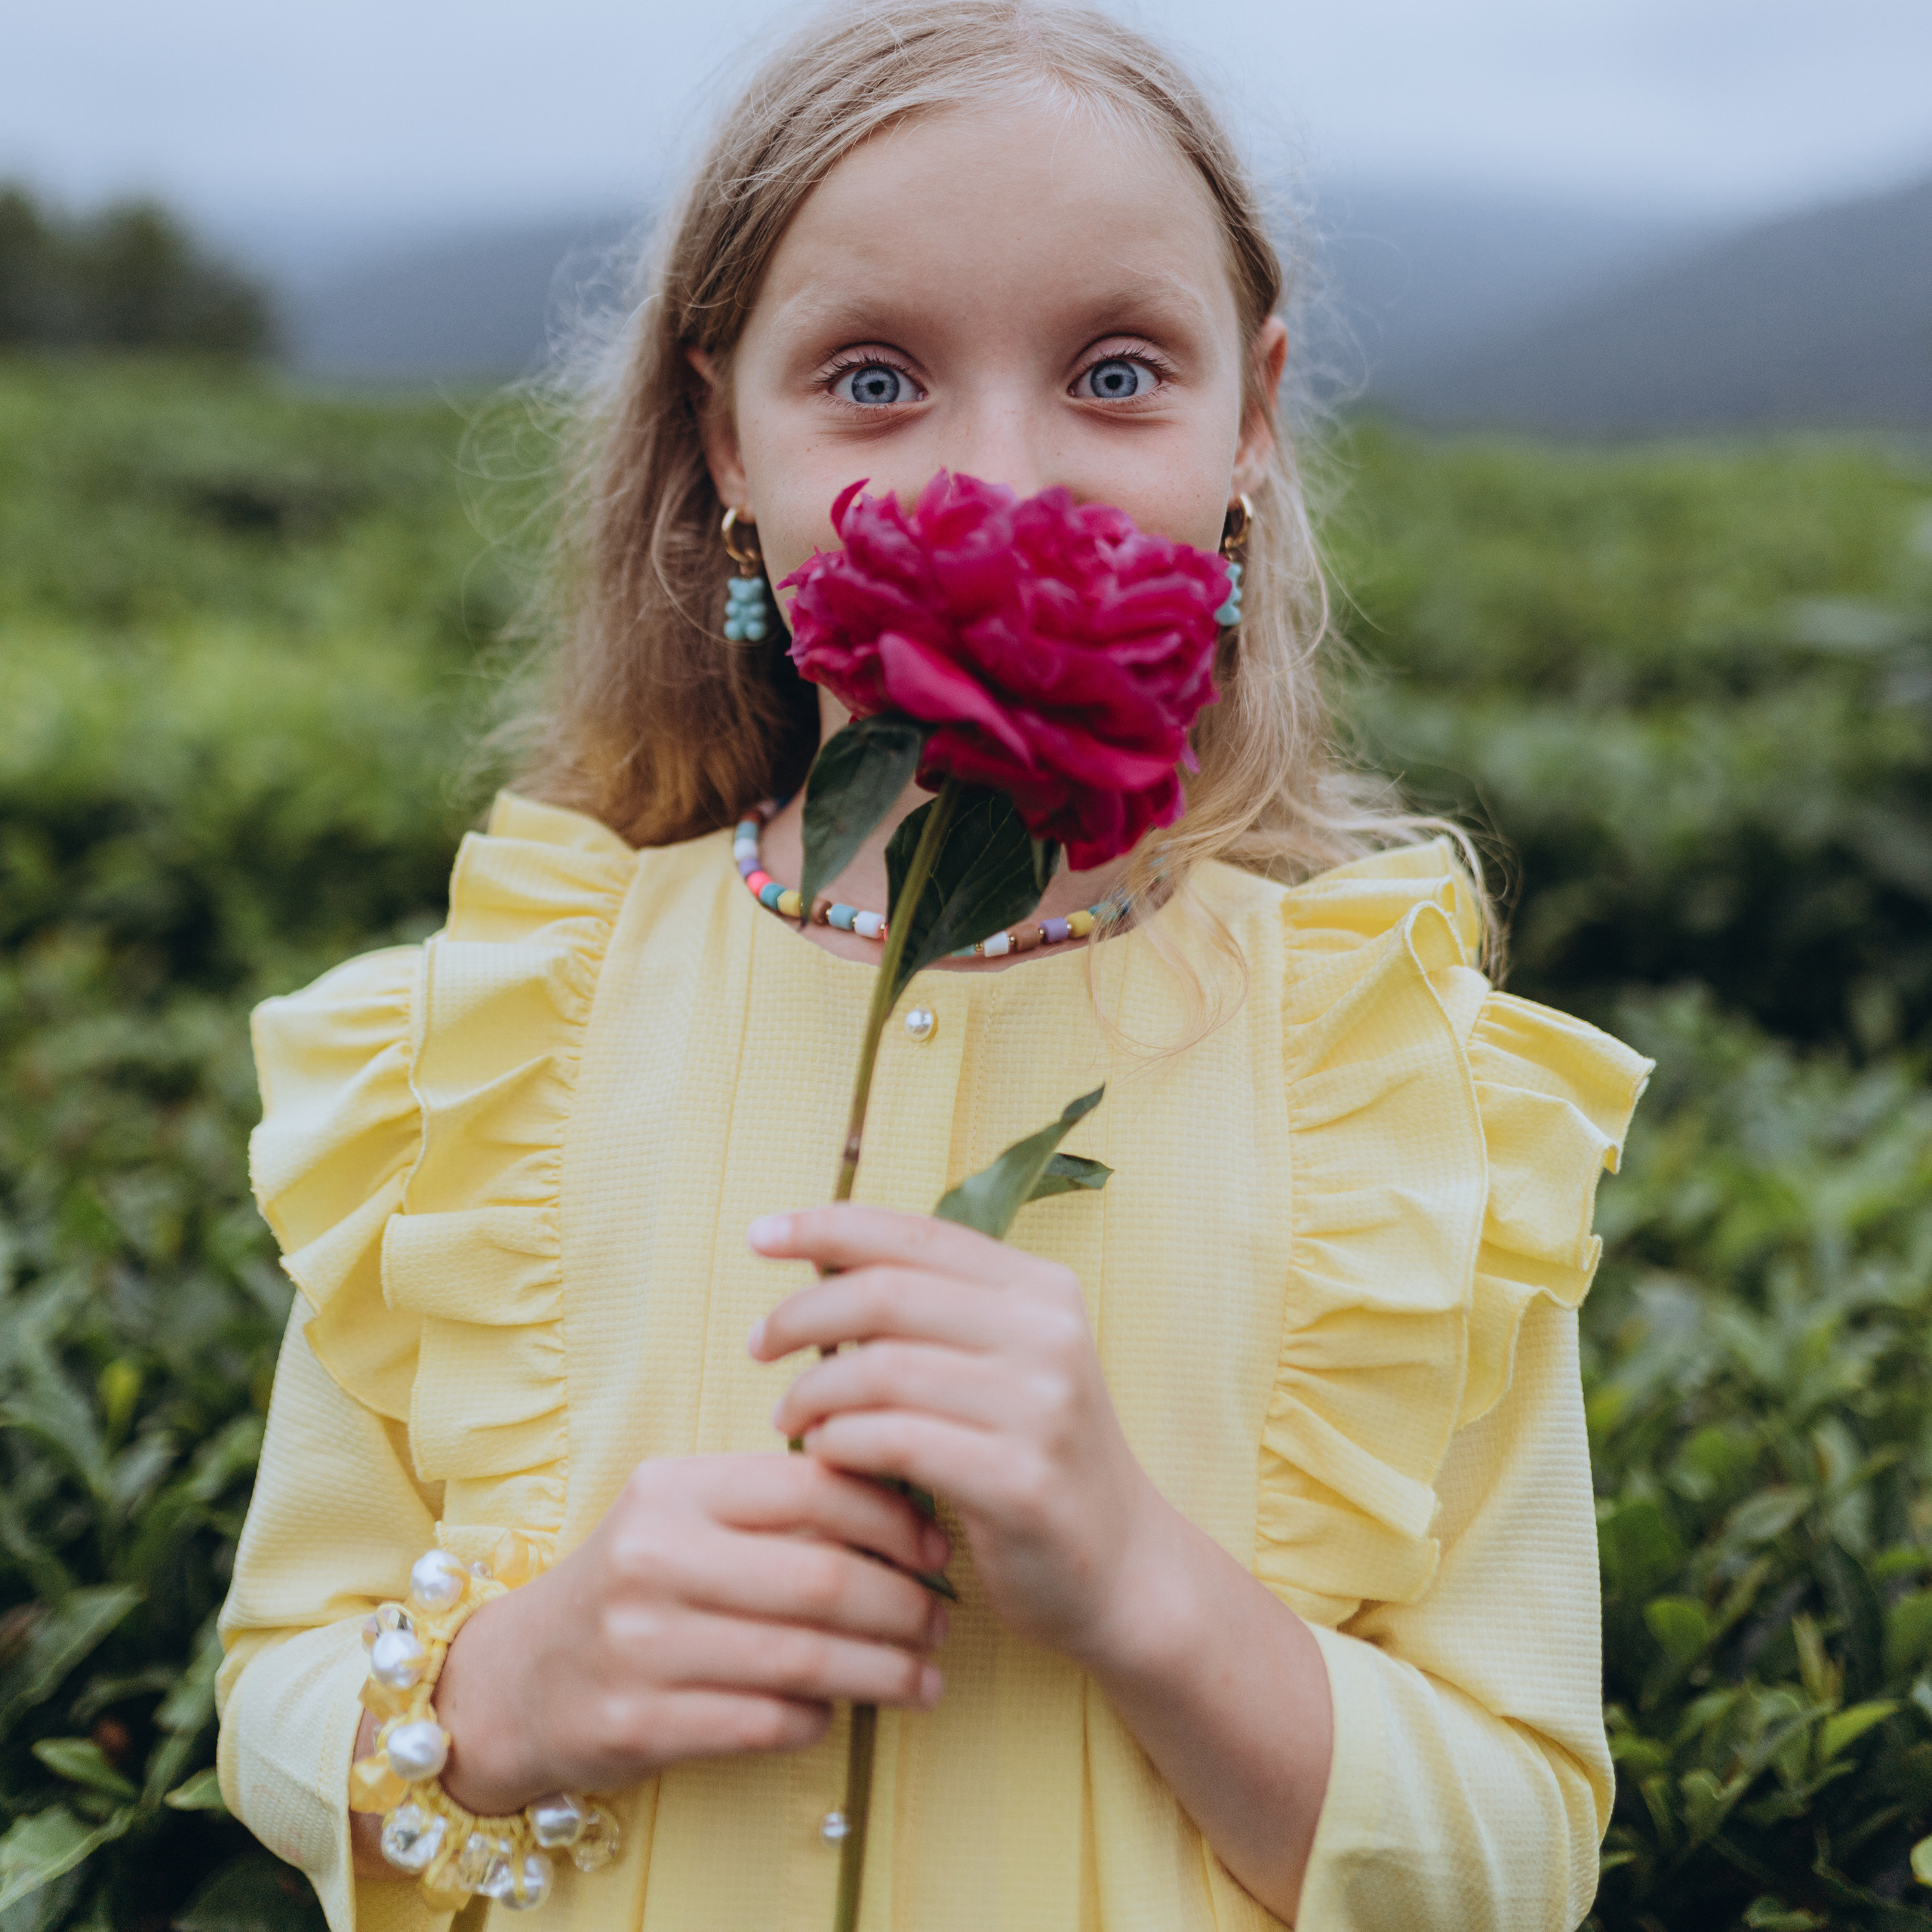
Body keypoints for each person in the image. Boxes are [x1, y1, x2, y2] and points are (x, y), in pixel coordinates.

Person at [214, 4, 1651, 1927]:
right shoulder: (495, 1036)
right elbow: (276, 1682)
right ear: (725, 436)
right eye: (872, 377)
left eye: (1117, 370)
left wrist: (1141, 1582)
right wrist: (514, 1688)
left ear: (1251, 421)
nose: (999, 476)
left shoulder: (1394, 1088)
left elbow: (1523, 1843)